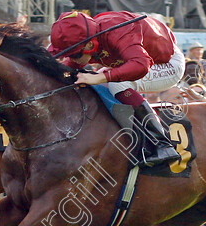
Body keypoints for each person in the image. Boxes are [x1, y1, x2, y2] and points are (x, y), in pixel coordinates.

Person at [45, 10, 182, 166]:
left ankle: (161, 143)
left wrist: (98, 77)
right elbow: (70, 66)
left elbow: (141, 65)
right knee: (98, 81)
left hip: (165, 63)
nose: (72, 59)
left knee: (117, 83)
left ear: (89, 44)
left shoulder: (118, 31)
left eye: (74, 54)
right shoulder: (88, 37)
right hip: (136, 60)